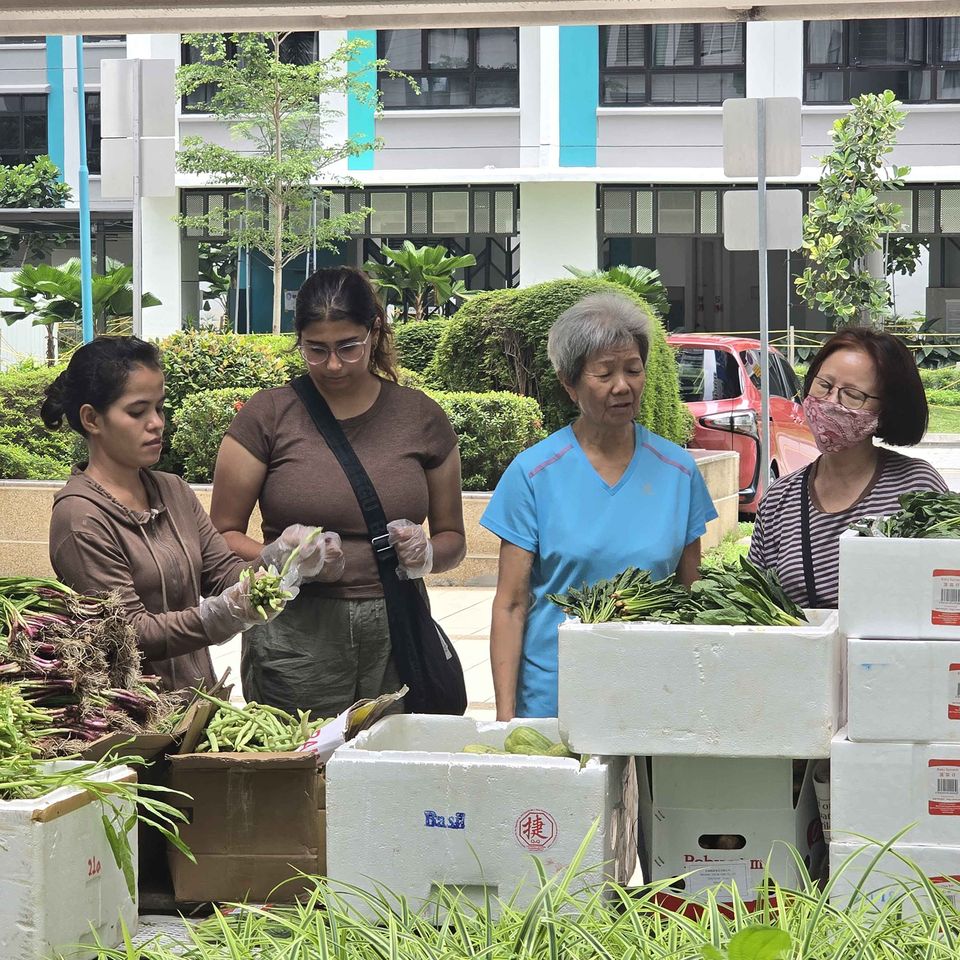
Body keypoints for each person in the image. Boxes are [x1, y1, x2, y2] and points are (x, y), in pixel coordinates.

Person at [210, 266, 466, 717]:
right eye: (316, 350)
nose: (333, 365)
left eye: (349, 347)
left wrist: (426, 553)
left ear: (374, 332)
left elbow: (454, 539)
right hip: (295, 634)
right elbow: (221, 536)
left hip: (396, 628)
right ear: (299, 341)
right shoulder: (268, 415)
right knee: (301, 767)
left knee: (390, 765)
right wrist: (284, 557)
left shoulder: (420, 417)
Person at [481, 292, 718, 720]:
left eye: (633, 369)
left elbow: (691, 596)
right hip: (555, 699)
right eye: (604, 373)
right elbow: (511, 604)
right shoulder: (533, 474)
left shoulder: (678, 472)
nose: (622, 386)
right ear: (570, 384)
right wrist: (505, 719)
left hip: (653, 696)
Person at [44, 336, 327, 692]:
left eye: (159, 408)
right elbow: (129, 634)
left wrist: (281, 560)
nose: (157, 423)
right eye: (137, 411)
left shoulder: (173, 490)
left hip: (198, 704)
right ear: (92, 419)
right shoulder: (80, 518)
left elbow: (224, 575)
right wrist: (217, 617)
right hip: (136, 718)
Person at [748, 326, 947, 608]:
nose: (830, 403)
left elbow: (944, 591)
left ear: (885, 410)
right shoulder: (779, 499)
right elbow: (757, 602)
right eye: (824, 386)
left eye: (852, 395)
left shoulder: (916, 489)